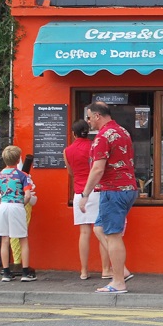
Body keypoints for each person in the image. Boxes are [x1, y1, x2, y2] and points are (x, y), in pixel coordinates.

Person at [80, 101, 137, 294]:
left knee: (113, 235)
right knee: (99, 228)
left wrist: (84, 195)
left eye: (89, 117)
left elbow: (97, 168)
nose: (88, 122)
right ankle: (123, 270)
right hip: (128, 187)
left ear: (97, 116)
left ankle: (118, 282)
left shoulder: (103, 136)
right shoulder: (123, 131)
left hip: (113, 189)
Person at [64, 119, 109, 280]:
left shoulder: (67, 150)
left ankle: (83, 270)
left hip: (79, 193)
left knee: (84, 233)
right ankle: (105, 269)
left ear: (73, 133)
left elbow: (71, 172)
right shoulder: (94, 146)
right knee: (102, 230)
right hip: (97, 191)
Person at [0, 145, 36, 282]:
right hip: (17, 206)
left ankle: (6, 273)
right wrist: (21, 203)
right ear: (18, 160)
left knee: (5, 239)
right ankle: (25, 272)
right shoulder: (23, 175)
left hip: (3, 206)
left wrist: (3, 202)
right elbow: (28, 195)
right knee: (23, 239)